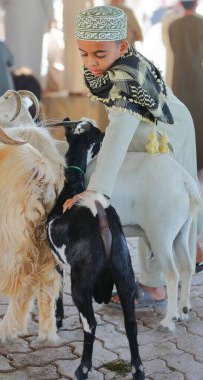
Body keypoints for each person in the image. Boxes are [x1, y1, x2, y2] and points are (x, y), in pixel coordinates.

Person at [63, 5, 201, 306]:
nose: (91, 63)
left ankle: (155, 286)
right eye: (84, 54)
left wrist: (94, 192)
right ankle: (194, 248)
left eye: (99, 55)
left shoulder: (126, 78)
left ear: (122, 46)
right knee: (160, 197)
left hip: (166, 133)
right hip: (159, 124)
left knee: (158, 200)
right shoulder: (116, 63)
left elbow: (118, 133)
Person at [168, 0, 203, 171]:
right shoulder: (201, 24)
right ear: (196, 3)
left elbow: (174, 49)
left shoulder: (173, 26)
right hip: (198, 78)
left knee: (180, 119)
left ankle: (183, 162)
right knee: (200, 118)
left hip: (179, 78)